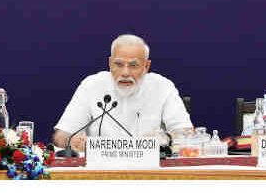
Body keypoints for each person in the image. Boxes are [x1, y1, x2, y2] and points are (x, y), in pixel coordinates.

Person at [52, 34, 193, 152]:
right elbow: (61, 136)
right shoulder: (91, 85)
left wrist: (165, 138)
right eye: (118, 64)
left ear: (146, 66)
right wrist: (73, 141)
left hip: (149, 169)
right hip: (100, 170)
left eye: (133, 65)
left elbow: (186, 132)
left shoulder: (162, 86)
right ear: (110, 63)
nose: (125, 73)